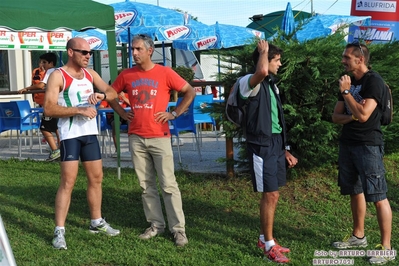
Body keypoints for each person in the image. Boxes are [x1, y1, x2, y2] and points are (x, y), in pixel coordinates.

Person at [43, 37, 132, 250]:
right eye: (83, 52)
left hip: (90, 134)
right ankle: (59, 231)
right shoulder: (58, 75)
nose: (88, 56)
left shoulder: (90, 74)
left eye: (90, 53)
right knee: (68, 182)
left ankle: (96, 222)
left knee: (96, 178)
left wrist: (101, 94)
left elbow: (112, 92)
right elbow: (49, 108)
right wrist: (79, 109)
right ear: (70, 52)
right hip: (70, 135)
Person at [111, 34, 196, 247]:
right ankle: (156, 225)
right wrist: (122, 112)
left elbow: (189, 91)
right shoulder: (127, 74)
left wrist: (174, 114)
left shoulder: (165, 72)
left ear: (150, 50)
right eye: (132, 49)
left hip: (160, 137)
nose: (134, 53)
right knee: (146, 185)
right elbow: (111, 93)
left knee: (168, 185)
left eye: (138, 49)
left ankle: (179, 230)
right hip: (136, 137)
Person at [331, 42, 394, 264]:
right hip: (348, 143)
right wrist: (351, 116)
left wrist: (347, 93)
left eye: (347, 57)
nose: (343, 61)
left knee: (378, 196)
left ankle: (386, 247)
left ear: (360, 59)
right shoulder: (348, 80)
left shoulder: (372, 82)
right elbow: (336, 117)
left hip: (368, 145)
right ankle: (359, 236)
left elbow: (365, 114)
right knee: (354, 191)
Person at [238, 40, 298, 264]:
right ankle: (269, 246)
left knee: (274, 193)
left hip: (274, 145)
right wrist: (263, 51)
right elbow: (261, 70)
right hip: (261, 146)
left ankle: (266, 239)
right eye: (277, 60)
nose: (280, 64)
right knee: (270, 194)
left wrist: (285, 150)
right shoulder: (249, 82)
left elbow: (277, 120)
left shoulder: (272, 85)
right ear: (264, 60)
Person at [18, 53, 61, 161]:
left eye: (44, 62)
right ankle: (62, 148)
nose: (42, 65)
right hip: (59, 104)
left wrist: (27, 88)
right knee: (57, 128)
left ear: (51, 63)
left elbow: (41, 85)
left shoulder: (50, 71)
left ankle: (56, 151)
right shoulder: (58, 71)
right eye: (41, 62)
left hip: (52, 104)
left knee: (44, 128)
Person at [98, 91, 130, 157]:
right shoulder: (109, 96)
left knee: (131, 122)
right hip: (113, 116)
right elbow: (100, 107)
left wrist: (124, 98)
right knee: (116, 124)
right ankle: (117, 150)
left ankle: (131, 150)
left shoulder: (126, 95)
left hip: (125, 116)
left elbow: (133, 105)